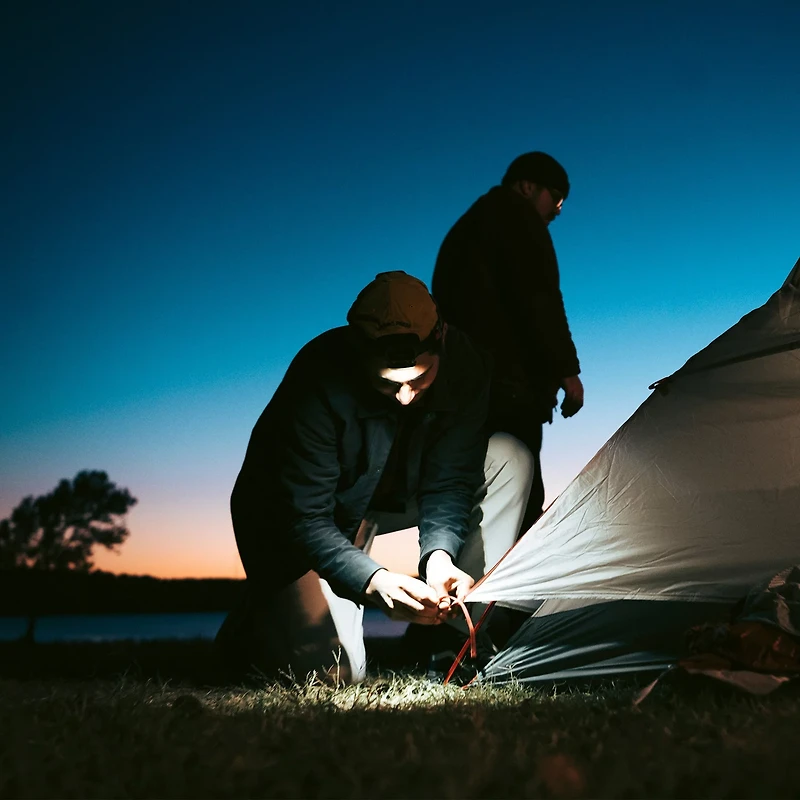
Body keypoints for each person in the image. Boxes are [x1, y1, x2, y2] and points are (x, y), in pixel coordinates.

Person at [214, 271, 533, 684]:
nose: (405, 396)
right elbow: (305, 519)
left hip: (387, 498)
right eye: (388, 384)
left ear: (441, 340)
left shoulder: (466, 365)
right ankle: (258, 621)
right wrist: (375, 581)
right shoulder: (318, 378)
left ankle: (451, 640)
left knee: (510, 456)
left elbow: (451, 480)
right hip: (293, 521)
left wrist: (439, 558)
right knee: (331, 678)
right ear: (360, 355)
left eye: (419, 379)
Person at [432, 151, 584, 535]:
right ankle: (513, 592)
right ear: (528, 186)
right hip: (510, 388)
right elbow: (541, 299)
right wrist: (568, 373)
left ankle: (466, 583)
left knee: (471, 489)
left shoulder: (466, 229)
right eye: (557, 197)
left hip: (461, 387)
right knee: (521, 492)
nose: (559, 210)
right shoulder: (519, 219)